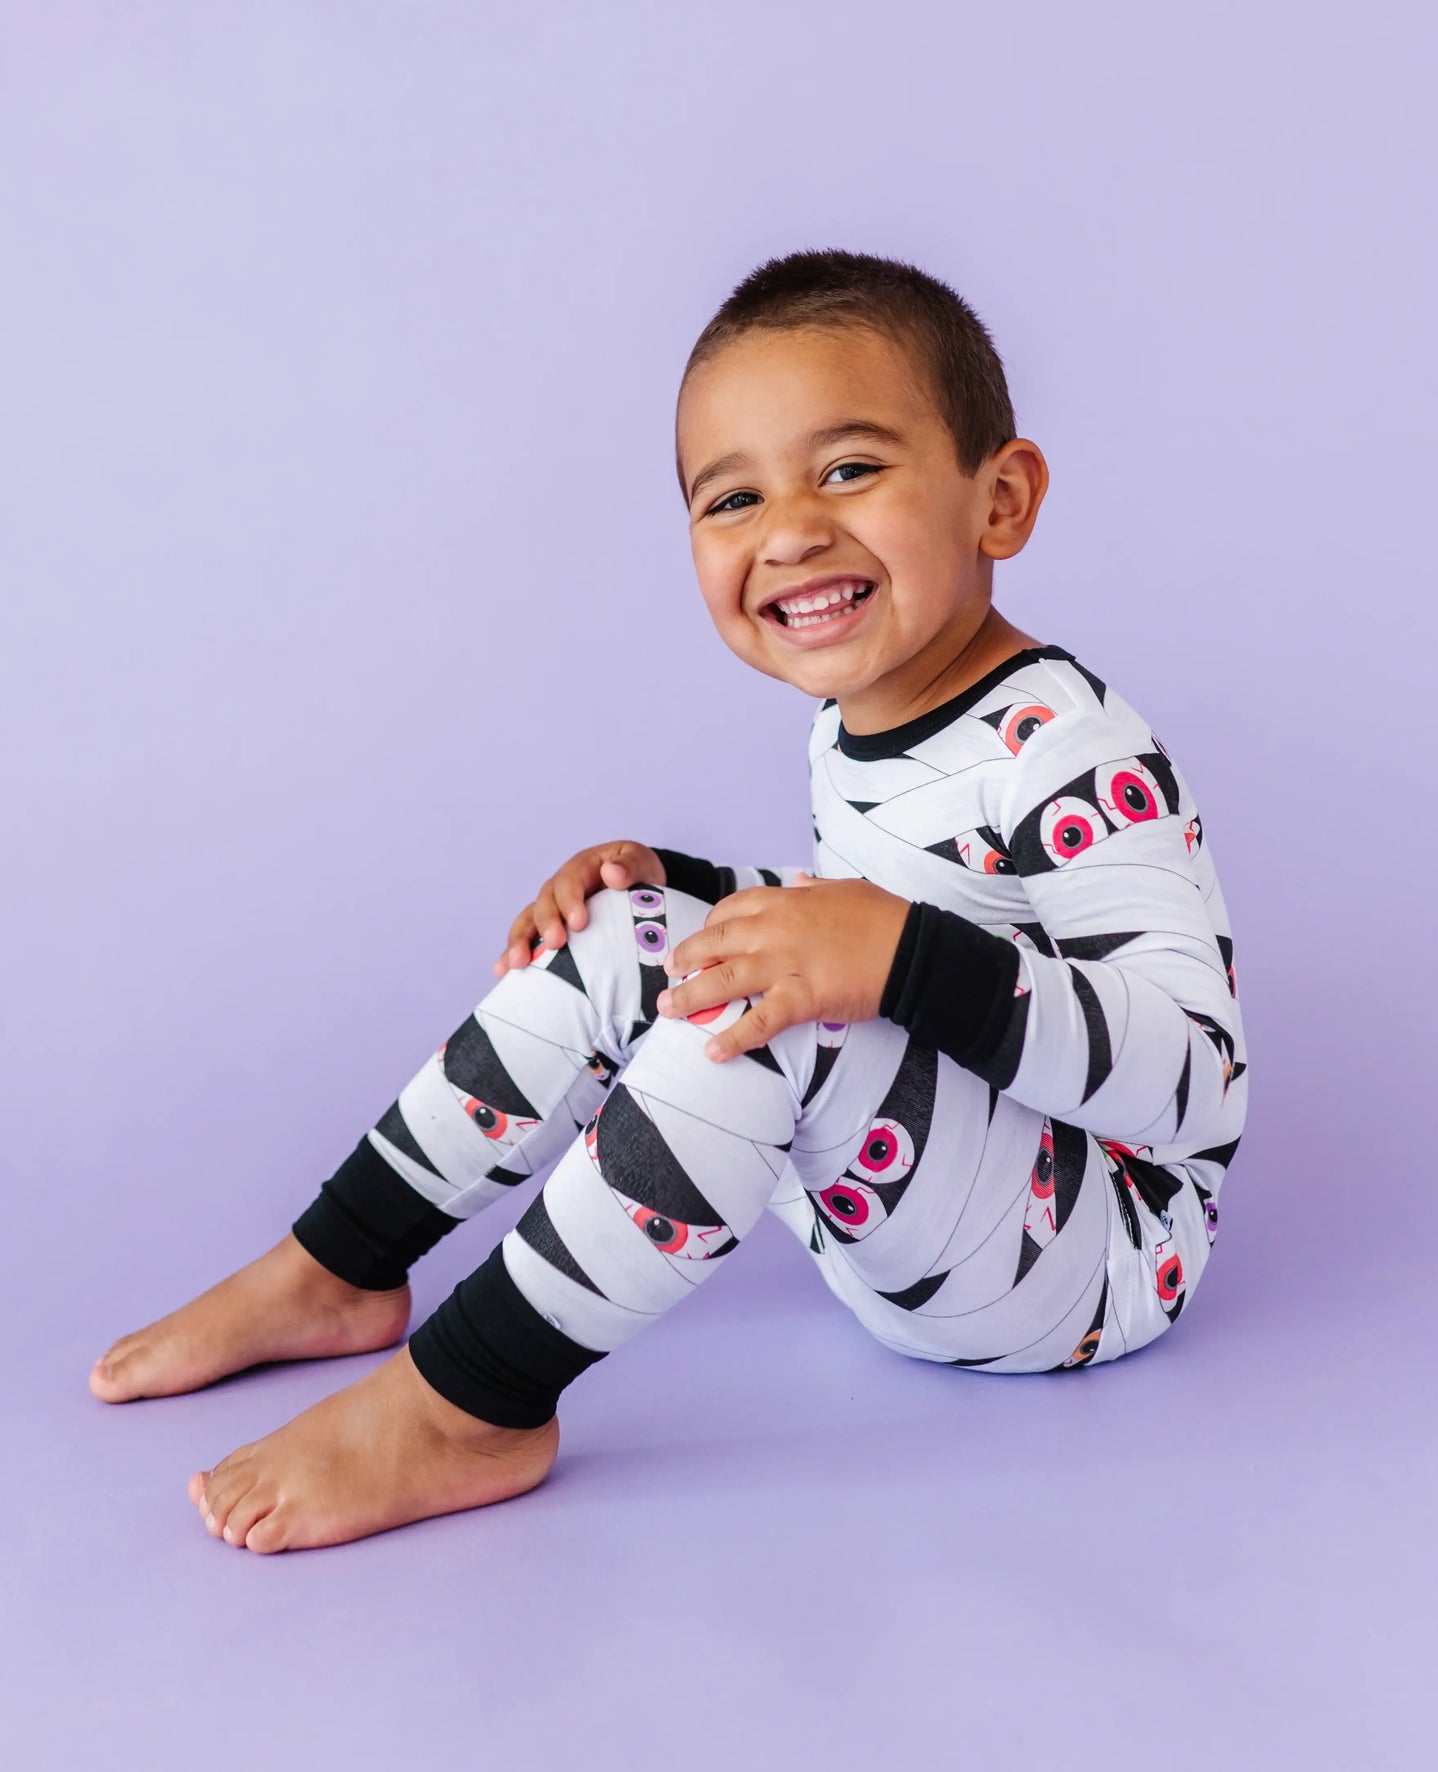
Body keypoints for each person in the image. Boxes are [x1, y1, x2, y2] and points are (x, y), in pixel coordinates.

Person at [89, 250, 1246, 1552]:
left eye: (848, 469)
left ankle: (471, 1405)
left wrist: (894, 959)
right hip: (927, 1208)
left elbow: (1199, 1083)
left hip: (1091, 1258)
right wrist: (680, 887)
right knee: (625, 936)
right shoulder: (860, 716)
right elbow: (870, 917)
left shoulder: (1069, 751)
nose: (789, 532)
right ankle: (338, 1266)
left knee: (764, 1015)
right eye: (733, 498)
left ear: (1001, 499)